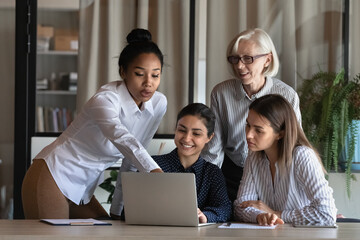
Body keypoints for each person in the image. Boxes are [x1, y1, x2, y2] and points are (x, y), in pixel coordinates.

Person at [21, 28, 167, 219]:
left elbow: (132, 159)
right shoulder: (105, 100)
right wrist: (155, 172)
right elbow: (123, 138)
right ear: (123, 71)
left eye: (155, 75)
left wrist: (116, 212)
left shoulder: (158, 103)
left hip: (83, 188)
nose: (148, 83)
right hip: (53, 174)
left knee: (107, 230)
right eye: (140, 74)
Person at [201, 28, 302, 203]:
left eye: (248, 58)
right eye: (235, 59)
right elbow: (213, 150)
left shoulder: (287, 95)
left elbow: (295, 146)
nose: (239, 66)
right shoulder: (221, 93)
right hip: (232, 174)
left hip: (273, 174)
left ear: (267, 60)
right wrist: (203, 192)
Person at [233, 94, 337, 226]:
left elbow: (326, 214)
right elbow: (240, 207)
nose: (248, 134)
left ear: (280, 134)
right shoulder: (254, 156)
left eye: (258, 130)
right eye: (248, 125)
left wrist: (277, 214)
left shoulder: (302, 156)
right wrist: (260, 215)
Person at [152, 103, 231, 223]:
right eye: (182, 130)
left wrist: (205, 215)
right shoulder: (153, 165)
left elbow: (224, 209)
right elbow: (129, 209)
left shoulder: (212, 173)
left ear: (209, 137)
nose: (187, 138)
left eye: (196, 134)